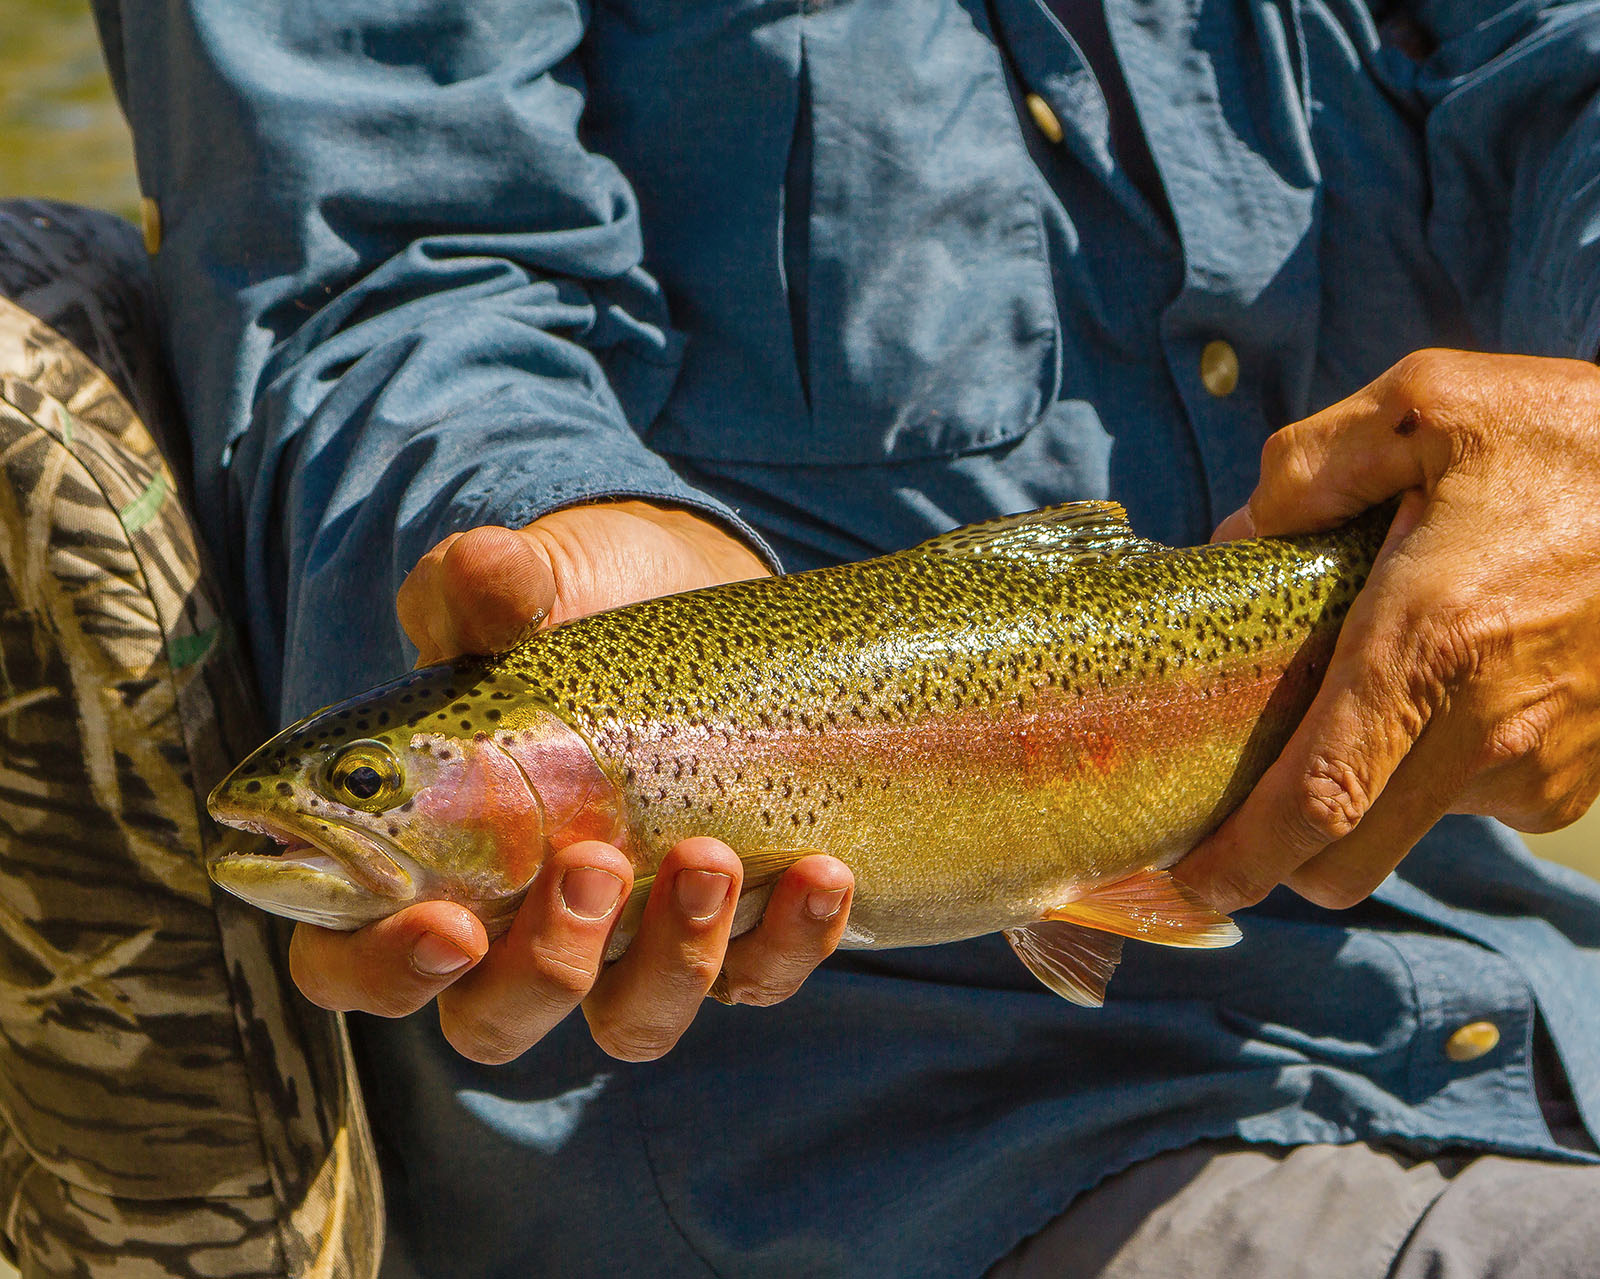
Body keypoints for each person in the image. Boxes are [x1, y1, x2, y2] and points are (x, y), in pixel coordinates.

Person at [84, 0, 1600, 1273]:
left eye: (356, 789)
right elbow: (387, 256)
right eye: (366, 791)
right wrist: (547, 515)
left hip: (1524, 991)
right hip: (869, 1157)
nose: (334, 808)